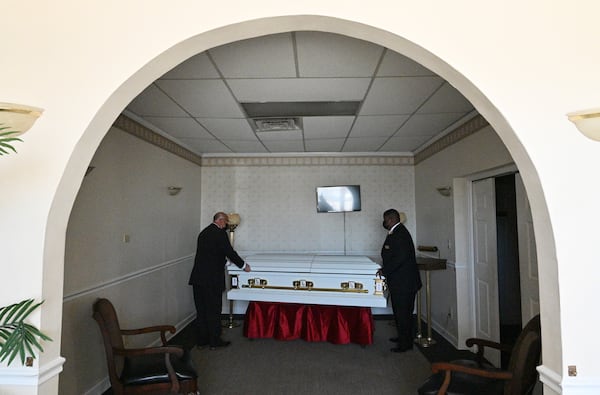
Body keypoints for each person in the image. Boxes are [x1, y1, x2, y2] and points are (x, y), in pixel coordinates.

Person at [188, 212, 251, 349]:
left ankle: (202, 341)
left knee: (202, 310)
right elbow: (229, 252)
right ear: (221, 221)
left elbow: (212, 253)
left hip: (198, 278)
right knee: (213, 310)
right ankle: (214, 342)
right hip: (212, 280)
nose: (227, 225)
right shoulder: (220, 234)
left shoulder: (204, 232)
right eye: (226, 222)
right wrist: (243, 266)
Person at [379, 208, 422, 353]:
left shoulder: (400, 234)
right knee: (400, 313)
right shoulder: (397, 232)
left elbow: (400, 258)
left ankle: (405, 344)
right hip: (401, 281)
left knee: (403, 314)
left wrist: (384, 271)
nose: (384, 222)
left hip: (404, 283)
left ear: (390, 220)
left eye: (385, 220)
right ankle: (403, 338)